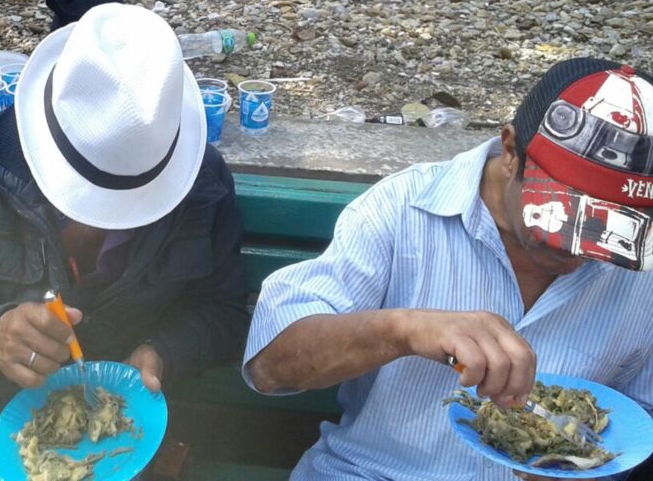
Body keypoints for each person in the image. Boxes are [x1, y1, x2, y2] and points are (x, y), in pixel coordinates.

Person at [0, 3, 248, 480]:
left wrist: (163, 351)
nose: (96, 216)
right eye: (86, 189)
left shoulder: (202, 182)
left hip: (124, 443)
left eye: (127, 198)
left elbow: (225, 312)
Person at [243, 57, 653, 480]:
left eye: (612, 232)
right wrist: (403, 329)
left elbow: (640, 422)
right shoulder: (404, 207)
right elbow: (270, 368)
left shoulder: (645, 270)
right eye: (561, 219)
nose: (578, 250)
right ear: (511, 151)